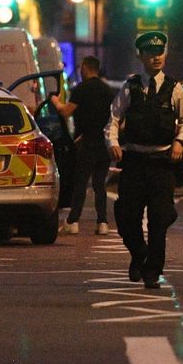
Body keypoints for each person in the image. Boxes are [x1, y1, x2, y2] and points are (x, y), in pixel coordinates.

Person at [105, 31, 183, 289]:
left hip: (161, 162)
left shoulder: (174, 88)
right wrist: (112, 143)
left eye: (160, 53)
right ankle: (139, 254)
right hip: (134, 161)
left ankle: (153, 270)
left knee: (160, 219)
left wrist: (179, 141)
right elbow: (113, 119)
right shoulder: (130, 87)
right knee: (126, 217)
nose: (157, 58)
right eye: (151, 54)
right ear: (141, 56)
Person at [51, 56, 115, 235]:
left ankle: (73, 221)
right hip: (103, 144)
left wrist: (55, 101)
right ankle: (102, 222)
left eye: (81, 68)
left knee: (80, 184)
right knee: (99, 185)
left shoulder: (81, 89)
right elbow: (116, 119)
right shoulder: (107, 90)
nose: (80, 71)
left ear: (86, 68)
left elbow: (66, 112)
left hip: (86, 143)